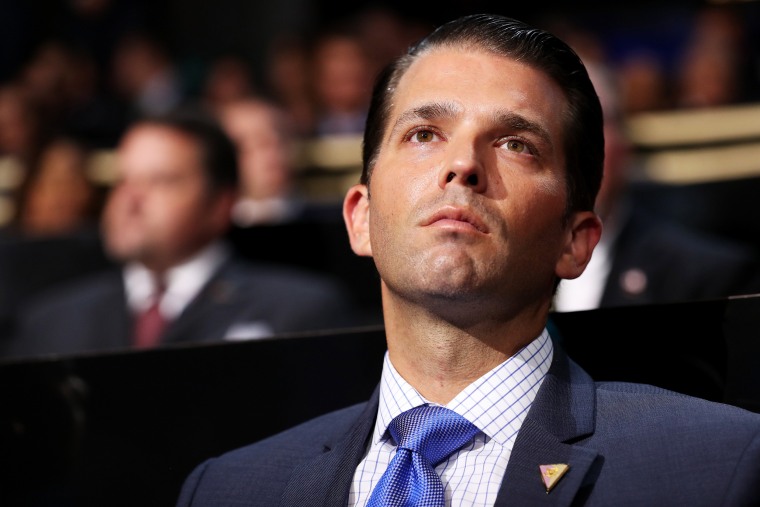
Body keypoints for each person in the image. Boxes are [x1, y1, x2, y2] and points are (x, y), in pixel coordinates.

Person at [176, 14, 760, 506]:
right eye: (425, 133)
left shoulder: (718, 468)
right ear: (360, 216)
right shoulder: (228, 489)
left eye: (516, 144)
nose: (464, 165)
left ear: (575, 241)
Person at [5, 107, 361, 358]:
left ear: (221, 203)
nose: (130, 199)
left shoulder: (300, 315)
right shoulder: (51, 322)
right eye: (124, 180)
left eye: (160, 181)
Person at [553, 61, 760, 311]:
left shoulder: (709, 277)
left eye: (590, 124)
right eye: (549, 127)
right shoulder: (499, 271)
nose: (573, 149)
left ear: (624, 144)